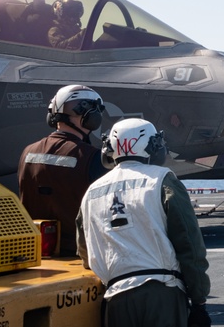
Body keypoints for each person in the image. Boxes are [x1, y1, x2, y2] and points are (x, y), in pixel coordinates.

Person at [77, 118, 211, 327]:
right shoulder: (161, 179)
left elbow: (85, 251)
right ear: (153, 147)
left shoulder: (92, 191)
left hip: (116, 297)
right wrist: (199, 300)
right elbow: (189, 242)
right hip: (162, 292)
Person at [18, 84, 107, 256]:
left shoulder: (27, 152)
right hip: (80, 252)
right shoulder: (92, 157)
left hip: (34, 250)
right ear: (86, 112)